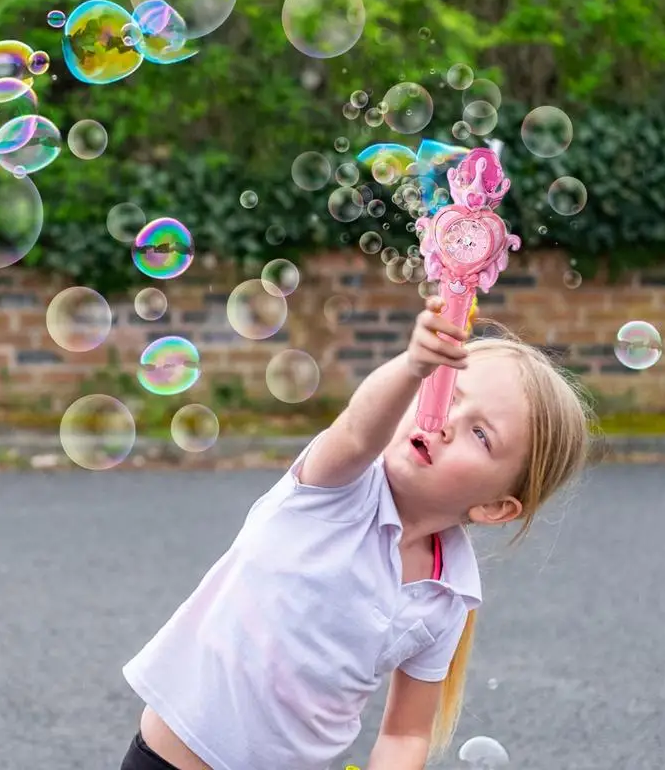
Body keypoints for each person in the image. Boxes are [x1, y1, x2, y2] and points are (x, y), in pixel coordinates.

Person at [119, 295, 593, 770]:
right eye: (447, 394)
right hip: (169, 761)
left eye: (482, 435)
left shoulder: (447, 596)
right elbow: (358, 431)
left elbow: (406, 733)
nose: (446, 423)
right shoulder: (340, 488)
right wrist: (413, 366)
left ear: (494, 506)